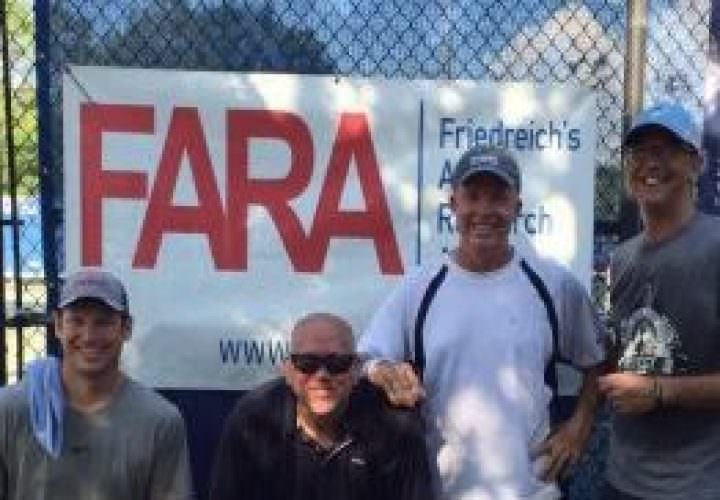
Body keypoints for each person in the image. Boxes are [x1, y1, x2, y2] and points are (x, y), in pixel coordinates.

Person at [360, 145, 605, 499]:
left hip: (533, 490)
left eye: (498, 198)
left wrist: (579, 426)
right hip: (442, 490)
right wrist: (384, 371)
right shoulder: (421, 286)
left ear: (517, 207)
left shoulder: (553, 284)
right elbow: (366, 356)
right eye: (472, 197)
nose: (484, 211)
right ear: (453, 204)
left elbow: (599, 360)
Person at [599, 103, 720, 499]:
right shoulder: (622, 257)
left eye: (665, 150)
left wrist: (659, 391)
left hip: (696, 485)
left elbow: (648, 385)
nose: (650, 163)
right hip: (623, 478)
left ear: (696, 163)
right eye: (639, 152)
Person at [0, 269, 192, 500]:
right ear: (58, 325)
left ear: (127, 328)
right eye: (76, 321)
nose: (89, 336)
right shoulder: (9, 411)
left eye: (103, 322)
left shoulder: (160, 421)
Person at [209, 312, 433, 500]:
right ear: (288, 371)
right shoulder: (252, 419)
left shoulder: (396, 427)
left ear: (356, 369)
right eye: (307, 363)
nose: (322, 375)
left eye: (337, 363)